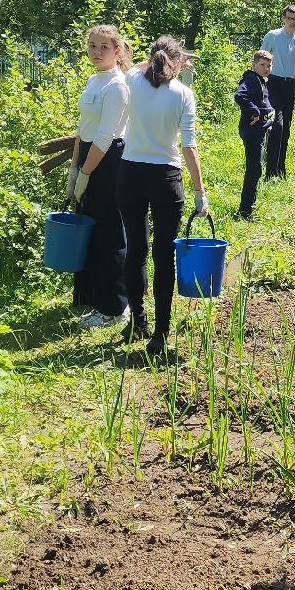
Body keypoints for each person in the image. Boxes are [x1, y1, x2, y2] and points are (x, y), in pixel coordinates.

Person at [118, 36, 208, 355]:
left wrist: (161, 60)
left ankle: (137, 320)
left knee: (136, 250)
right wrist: (200, 193)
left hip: (130, 174)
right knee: (163, 255)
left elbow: (138, 68)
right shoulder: (184, 93)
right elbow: (189, 146)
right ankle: (160, 332)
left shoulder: (132, 80)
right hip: (165, 178)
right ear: (179, 62)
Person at [70, 25, 131, 329]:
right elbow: (83, 128)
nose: (96, 52)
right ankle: (96, 298)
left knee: (110, 235)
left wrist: (85, 173)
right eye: (92, 46)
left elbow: (105, 137)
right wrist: (74, 166)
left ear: (117, 51)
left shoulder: (117, 86)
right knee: (91, 232)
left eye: (104, 47)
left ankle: (116, 307)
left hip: (107, 163)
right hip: (87, 159)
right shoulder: (95, 79)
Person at [259, 4, 295, 178]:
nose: (292, 21)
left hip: (289, 85)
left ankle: (280, 169)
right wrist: (259, 85)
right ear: (283, 19)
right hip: (273, 83)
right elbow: (260, 60)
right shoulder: (272, 36)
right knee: (276, 125)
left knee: (285, 128)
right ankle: (270, 171)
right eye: (289, 18)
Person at [234, 49, 275, 219]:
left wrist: (269, 115)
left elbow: (263, 102)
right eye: (262, 65)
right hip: (251, 131)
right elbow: (239, 95)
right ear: (254, 65)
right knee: (254, 169)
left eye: (269, 65)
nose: (266, 68)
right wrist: (254, 110)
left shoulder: (261, 80)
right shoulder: (251, 79)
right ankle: (245, 210)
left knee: (256, 169)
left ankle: (249, 206)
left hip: (259, 129)